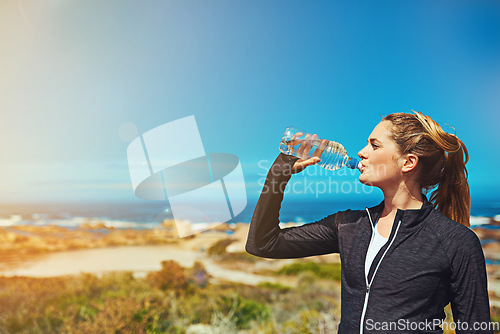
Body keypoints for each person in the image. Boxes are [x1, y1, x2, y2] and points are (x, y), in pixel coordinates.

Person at [246, 111, 492, 333]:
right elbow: (263, 244)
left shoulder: (457, 242)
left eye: (375, 145)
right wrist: (278, 174)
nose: (362, 152)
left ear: (408, 162)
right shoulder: (349, 225)